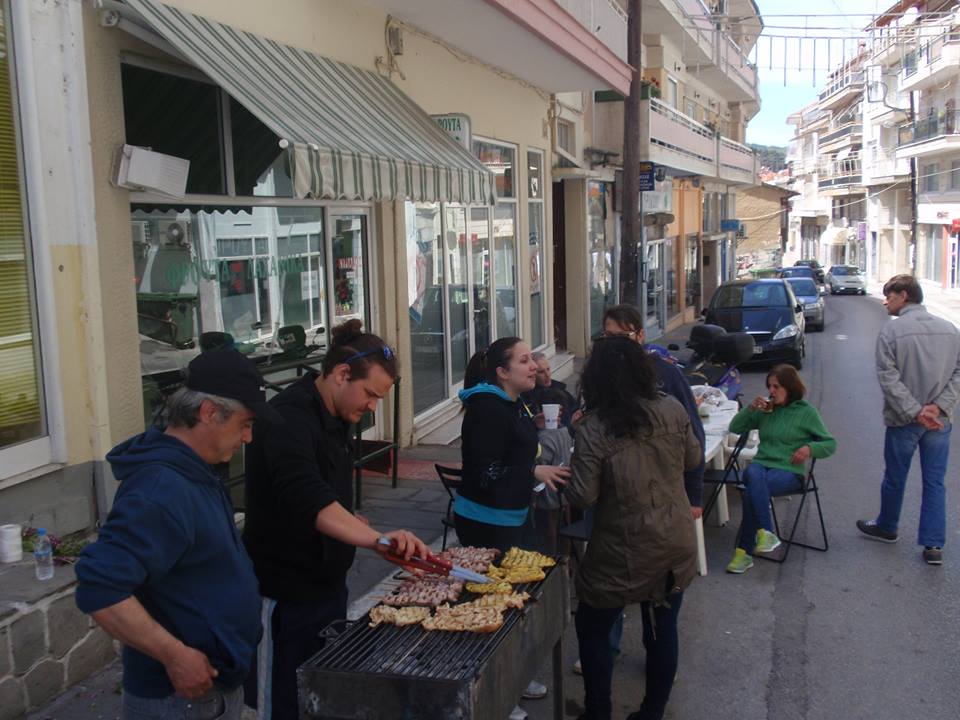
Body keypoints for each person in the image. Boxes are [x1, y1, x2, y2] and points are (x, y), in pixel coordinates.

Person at [75, 350, 282, 720]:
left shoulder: (195, 471)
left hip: (213, 689)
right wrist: (175, 655)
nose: (249, 437)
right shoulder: (160, 489)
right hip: (178, 700)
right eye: (244, 424)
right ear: (208, 412)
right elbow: (100, 587)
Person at [242, 320, 429, 720]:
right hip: (284, 595)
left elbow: (334, 501)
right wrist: (378, 540)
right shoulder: (286, 420)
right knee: (285, 703)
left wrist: (358, 528)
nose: (373, 407)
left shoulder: (339, 415)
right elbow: (309, 500)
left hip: (328, 588)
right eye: (370, 395)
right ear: (342, 374)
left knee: (323, 695)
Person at [567, 336, 702, 720]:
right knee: (662, 627)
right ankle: (652, 712)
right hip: (674, 540)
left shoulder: (593, 427)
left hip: (620, 549)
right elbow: (693, 457)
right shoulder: (672, 408)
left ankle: (598, 712)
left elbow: (583, 496)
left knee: (592, 626)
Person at [455, 336, 570, 719]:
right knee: (490, 605)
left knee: (513, 599)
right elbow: (483, 472)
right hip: (488, 524)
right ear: (502, 372)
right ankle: (494, 693)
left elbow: (515, 447)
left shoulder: (514, 402)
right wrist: (532, 471)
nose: (534, 365)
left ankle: (512, 678)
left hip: (516, 514)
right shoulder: (487, 410)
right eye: (524, 361)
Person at [857, 274, 960, 565]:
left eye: (889, 296)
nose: (885, 301)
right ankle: (933, 545)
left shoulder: (892, 332)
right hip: (939, 421)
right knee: (935, 482)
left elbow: (888, 378)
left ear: (904, 296)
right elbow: (958, 373)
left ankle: (888, 526)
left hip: (905, 420)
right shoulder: (950, 330)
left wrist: (915, 410)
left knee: (895, 477)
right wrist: (937, 408)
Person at [725, 364, 836, 574]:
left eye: (777, 387)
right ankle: (766, 533)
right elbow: (735, 428)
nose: (772, 391)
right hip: (761, 467)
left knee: (752, 488)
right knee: (752, 473)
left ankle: (744, 552)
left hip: (788, 471)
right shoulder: (767, 410)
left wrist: (809, 448)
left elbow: (830, 444)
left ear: (790, 387)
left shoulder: (806, 413)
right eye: (769, 386)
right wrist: (750, 409)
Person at [523, 351, 580, 425]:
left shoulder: (559, 388)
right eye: (541, 372)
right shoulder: (527, 398)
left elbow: (575, 408)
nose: (547, 375)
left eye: (548, 369)